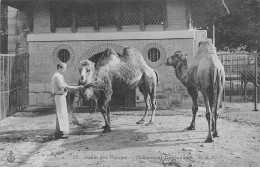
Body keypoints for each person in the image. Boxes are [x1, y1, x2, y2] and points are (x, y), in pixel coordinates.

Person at [51, 62, 83, 139]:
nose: (65, 70)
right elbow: (64, 87)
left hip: (60, 96)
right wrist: (76, 88)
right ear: (59, 68)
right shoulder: (57, 76)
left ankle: (59, 132)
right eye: (64, 68)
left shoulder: (59, 75)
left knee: (61, 114)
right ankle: (62, 133)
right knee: (61, 114)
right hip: (59, 96)